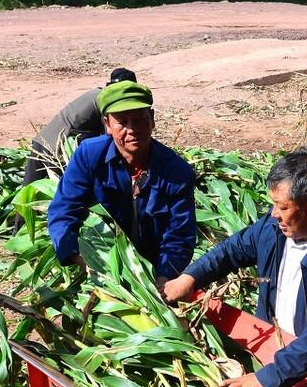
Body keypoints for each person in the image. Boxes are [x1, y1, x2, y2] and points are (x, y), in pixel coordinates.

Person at [162, 148, 307, 387]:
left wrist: (266, 378)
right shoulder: (275, 228)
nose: (273, 213)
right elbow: (231, 251)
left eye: (283, 206)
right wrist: (190, 278)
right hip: (274, 350)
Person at [47, 80, 197, 282]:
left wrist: (164, 276)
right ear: (107, 124)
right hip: (103, 258)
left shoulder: (177, 171)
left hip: (153, 265)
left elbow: (179, 235)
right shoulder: (89, 156)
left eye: (139, 120)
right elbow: (64, 210)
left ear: (152, 120)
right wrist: (76, 256)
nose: (132, 129)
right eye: (122, 121)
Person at [23, 67, 137, 186]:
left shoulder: (97, 93)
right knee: (68, 191)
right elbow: (110, 139)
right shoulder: (108, 102)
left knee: (25, 193)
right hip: (59, 149)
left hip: (41, 141)